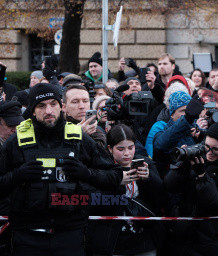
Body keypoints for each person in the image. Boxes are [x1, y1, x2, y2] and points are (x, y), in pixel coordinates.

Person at [0, 83, 122, 256]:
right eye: (41, 106)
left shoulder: (79, 139)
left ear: (61, 106)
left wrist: (87, 174)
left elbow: (115, 175)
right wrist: (16, 176)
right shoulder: (16, 142)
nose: (48, 110)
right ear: (33, 110)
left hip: (69, 236)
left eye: (53, 104)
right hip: (27, 237)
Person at [164, 122, 218, 256]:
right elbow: (170, 187)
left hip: (213, 239)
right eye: (206, 146)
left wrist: (202, 176)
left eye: (215, 149)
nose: (209, 153)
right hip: (184, 233)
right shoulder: (199, 157)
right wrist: (181, 168)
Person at [87, 124, 166, 256]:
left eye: (131, 148)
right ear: (110, 149)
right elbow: (94, 203)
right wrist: (117, 183)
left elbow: (162, 199)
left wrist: (149, 179)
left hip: (144, 241)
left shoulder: (146, 164)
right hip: (113, 241)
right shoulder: (101, 169)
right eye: (121, 149)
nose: (127, 153)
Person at [152, 91, 204, 175]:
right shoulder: (163, 133)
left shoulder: (197, 132)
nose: (186, 114)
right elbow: (161, 145)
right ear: (172, 114)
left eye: (189, 110)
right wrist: (187, 118)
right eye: (183, 111)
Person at [62, 84, 106, 149]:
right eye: (75, 102)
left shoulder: (98, 132)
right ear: (64, 107)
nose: (82, 106)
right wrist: (79, 134)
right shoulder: (58, 130)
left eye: (85, 101)